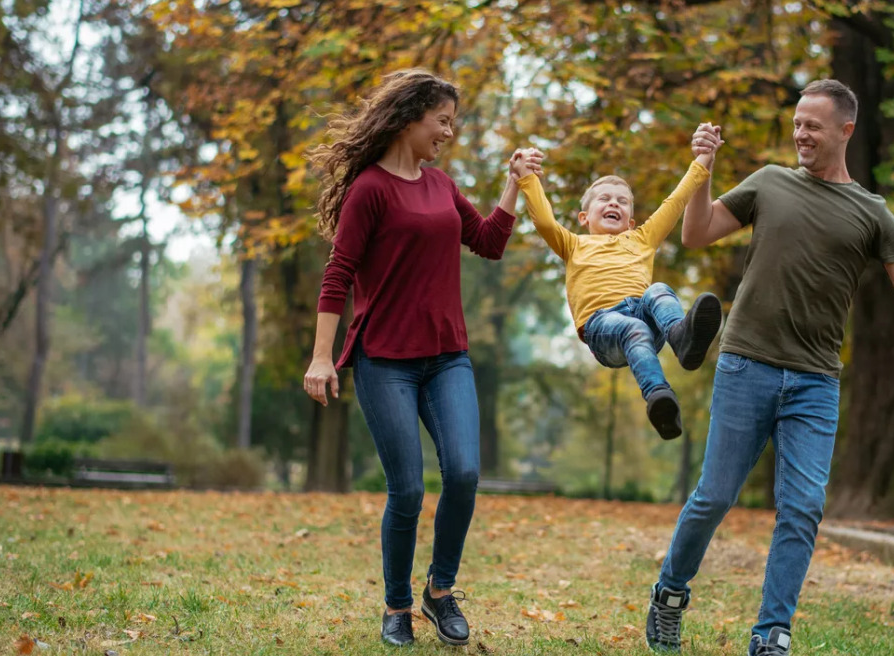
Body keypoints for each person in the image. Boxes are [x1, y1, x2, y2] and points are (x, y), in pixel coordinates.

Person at [643, 79, 894, 656]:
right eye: (797, 124)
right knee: (714, 496)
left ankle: (771, 633)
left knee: (802, 508)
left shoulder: (872, 212)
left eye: (812, 126)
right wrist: (702, 170)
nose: (801, 134)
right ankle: (670, 593)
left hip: (815, 382)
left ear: (846, 130)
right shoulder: (769, 183)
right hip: (746, 366)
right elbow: (696, 234)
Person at [301, 69, 542, 648]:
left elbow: (489, 241)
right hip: (384, 359)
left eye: (452, 123)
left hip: (447, 356)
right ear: (410, 118)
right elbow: (337, 275)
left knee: (464, 472)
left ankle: (439, 590)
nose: (449, 133)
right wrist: (321, 358)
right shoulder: (370, 190)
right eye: (442, 121)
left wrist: (513, 184)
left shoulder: (441, 185)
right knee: (407, 490)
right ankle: (396, 606)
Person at [514, 128, 723, 439]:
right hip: (603, 327)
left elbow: (676, 201)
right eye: (605, 199)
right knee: (632, 327)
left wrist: (704, 158)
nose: (614, 203)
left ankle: (681, 337)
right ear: (584, 217)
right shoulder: (573, 244)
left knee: (658, 290)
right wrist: (527, 177)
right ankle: (659, 398)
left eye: (622, 202)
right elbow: (544, 220)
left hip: (646, 321)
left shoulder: (642, 239)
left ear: (631, 222)